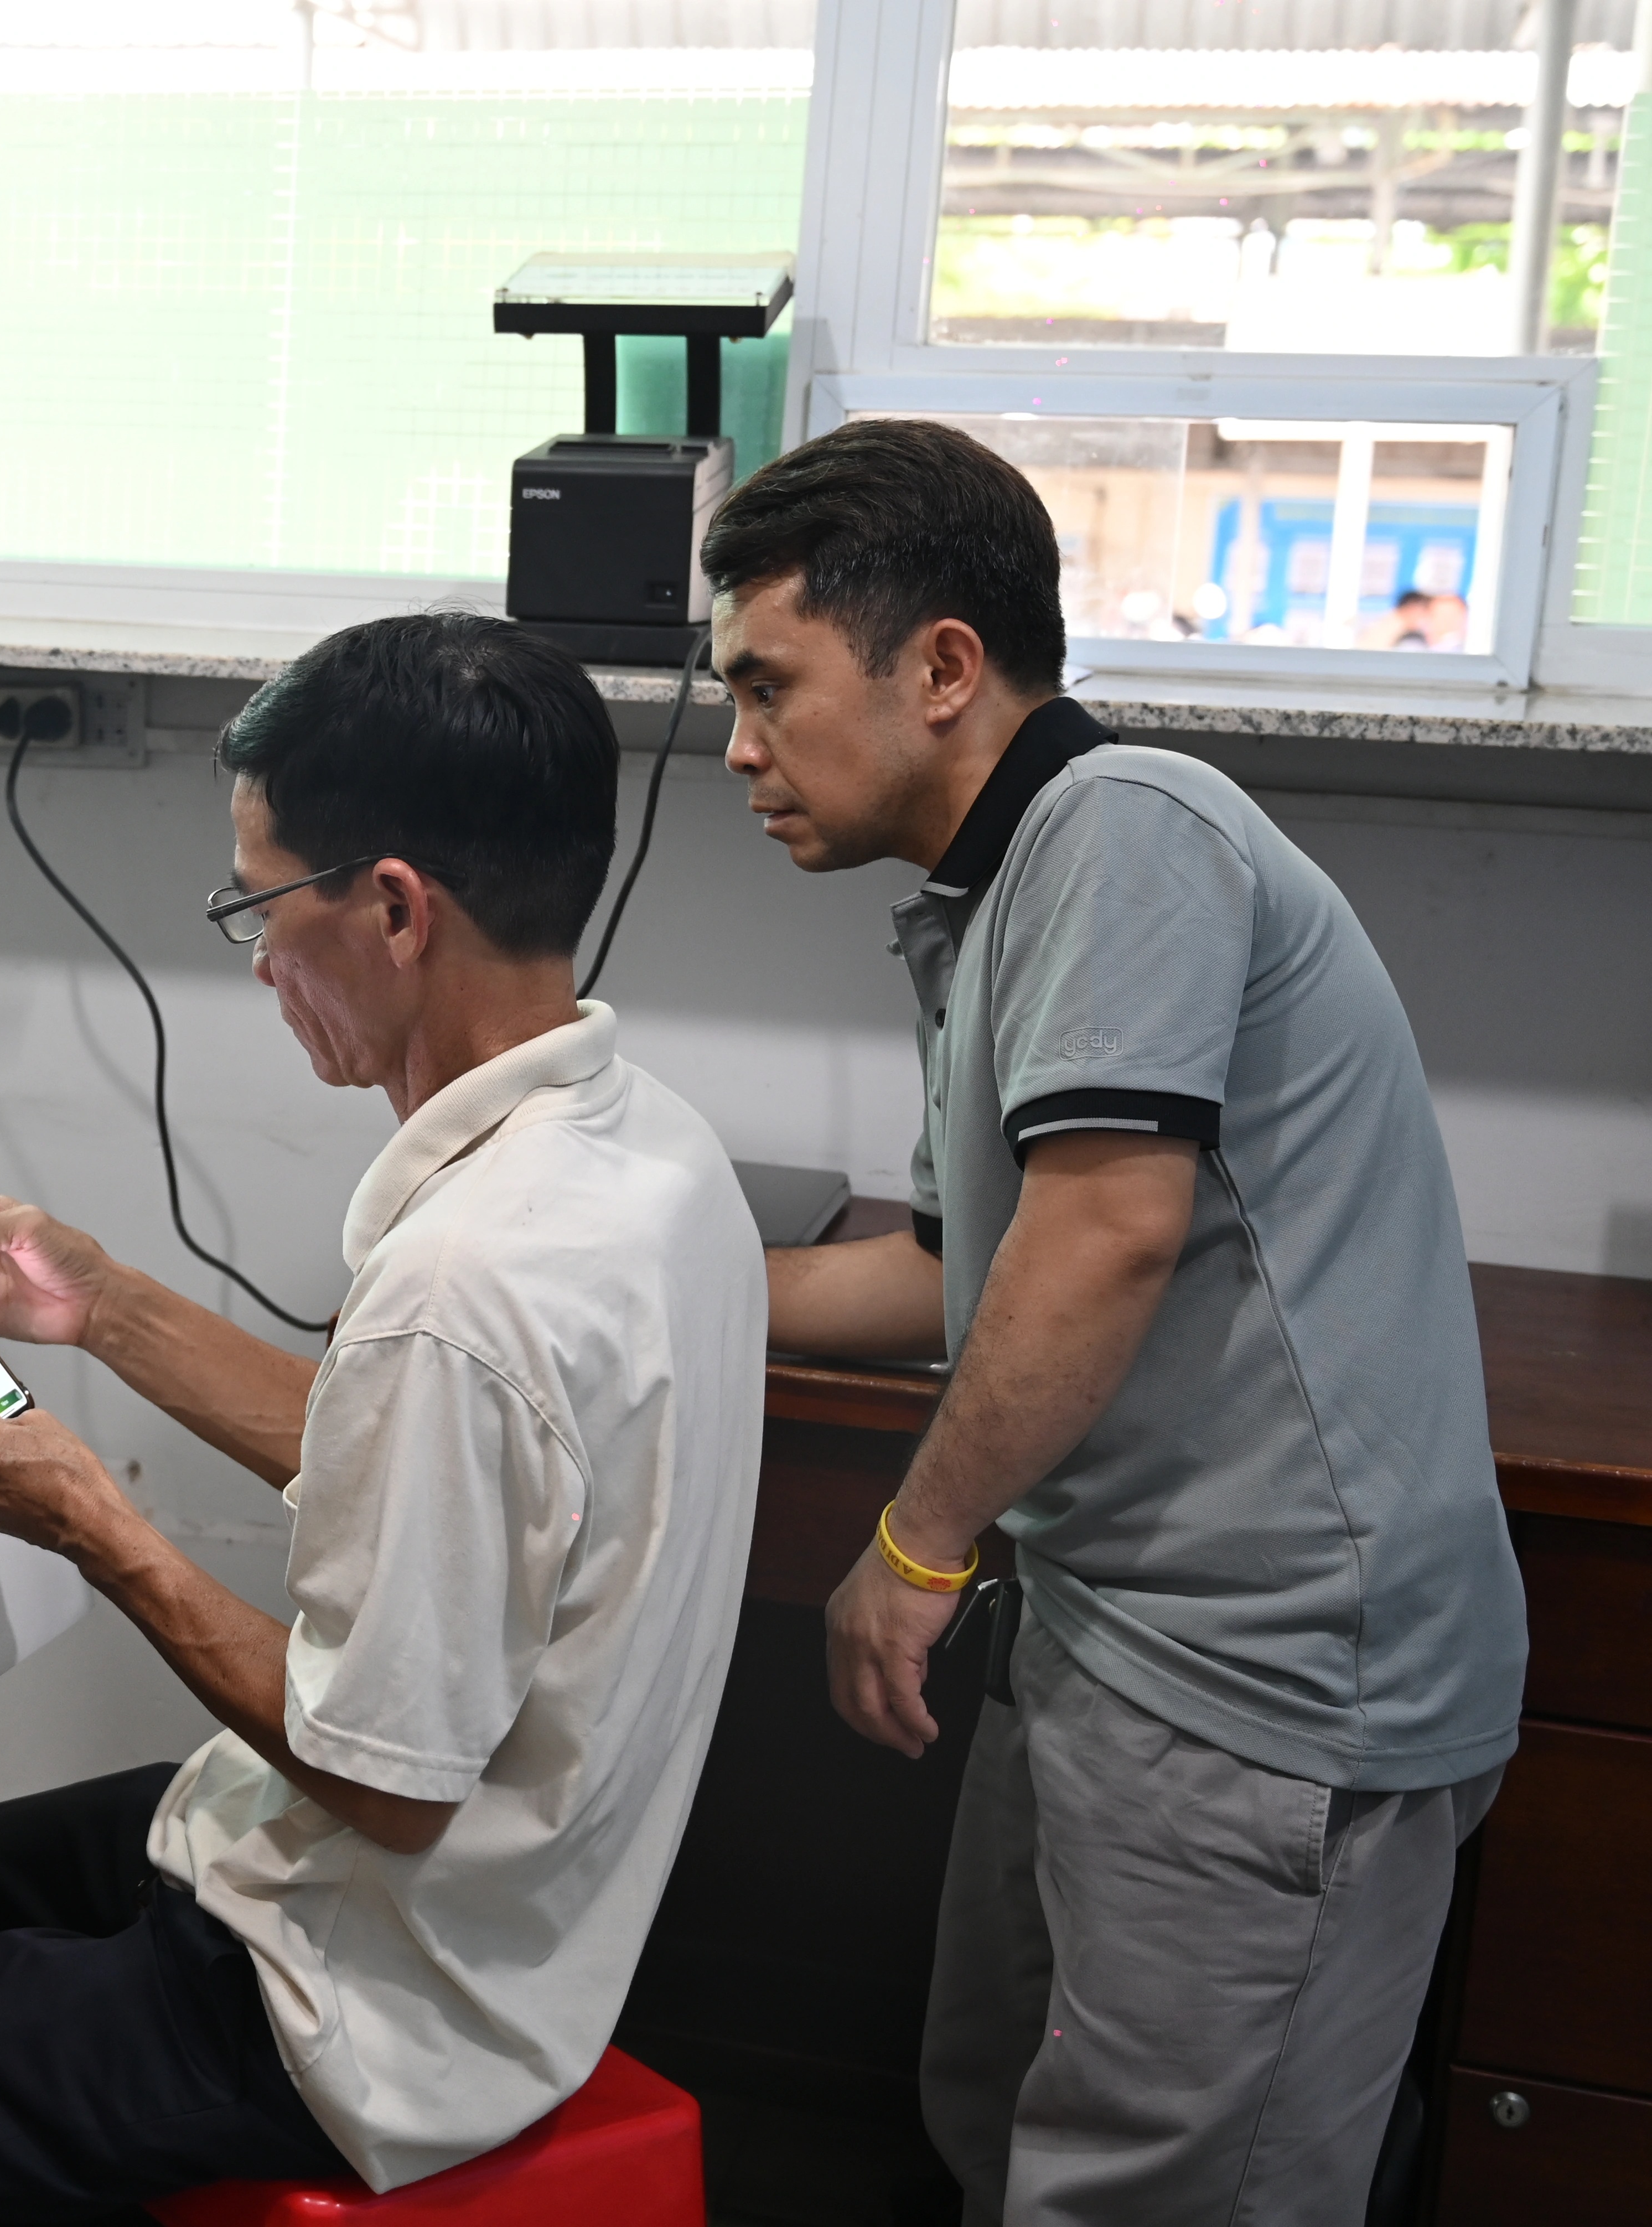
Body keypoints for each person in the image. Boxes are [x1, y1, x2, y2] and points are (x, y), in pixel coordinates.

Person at [0, 613, 767, 2216]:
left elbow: (386, 1781)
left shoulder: (469, 1286)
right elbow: (420, 1480)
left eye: (260, 902)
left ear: (392, 907)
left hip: (356, 2007)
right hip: (481, 1919)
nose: (256, 958)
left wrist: (97, 1523)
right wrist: (102, 1305)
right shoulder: (649, 1158)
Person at [703, 417, 1524, 2225]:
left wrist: (908, 1548)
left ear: (936, 667)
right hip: (1106, 1635)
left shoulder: (1119, 826)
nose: (738, 749)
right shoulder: (986, 897)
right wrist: (661, 1287)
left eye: (764, 688)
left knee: (1166, 2195)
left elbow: (1097, 1236)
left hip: (1272, 1681)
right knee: (994, 2121)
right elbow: (951, 1266)